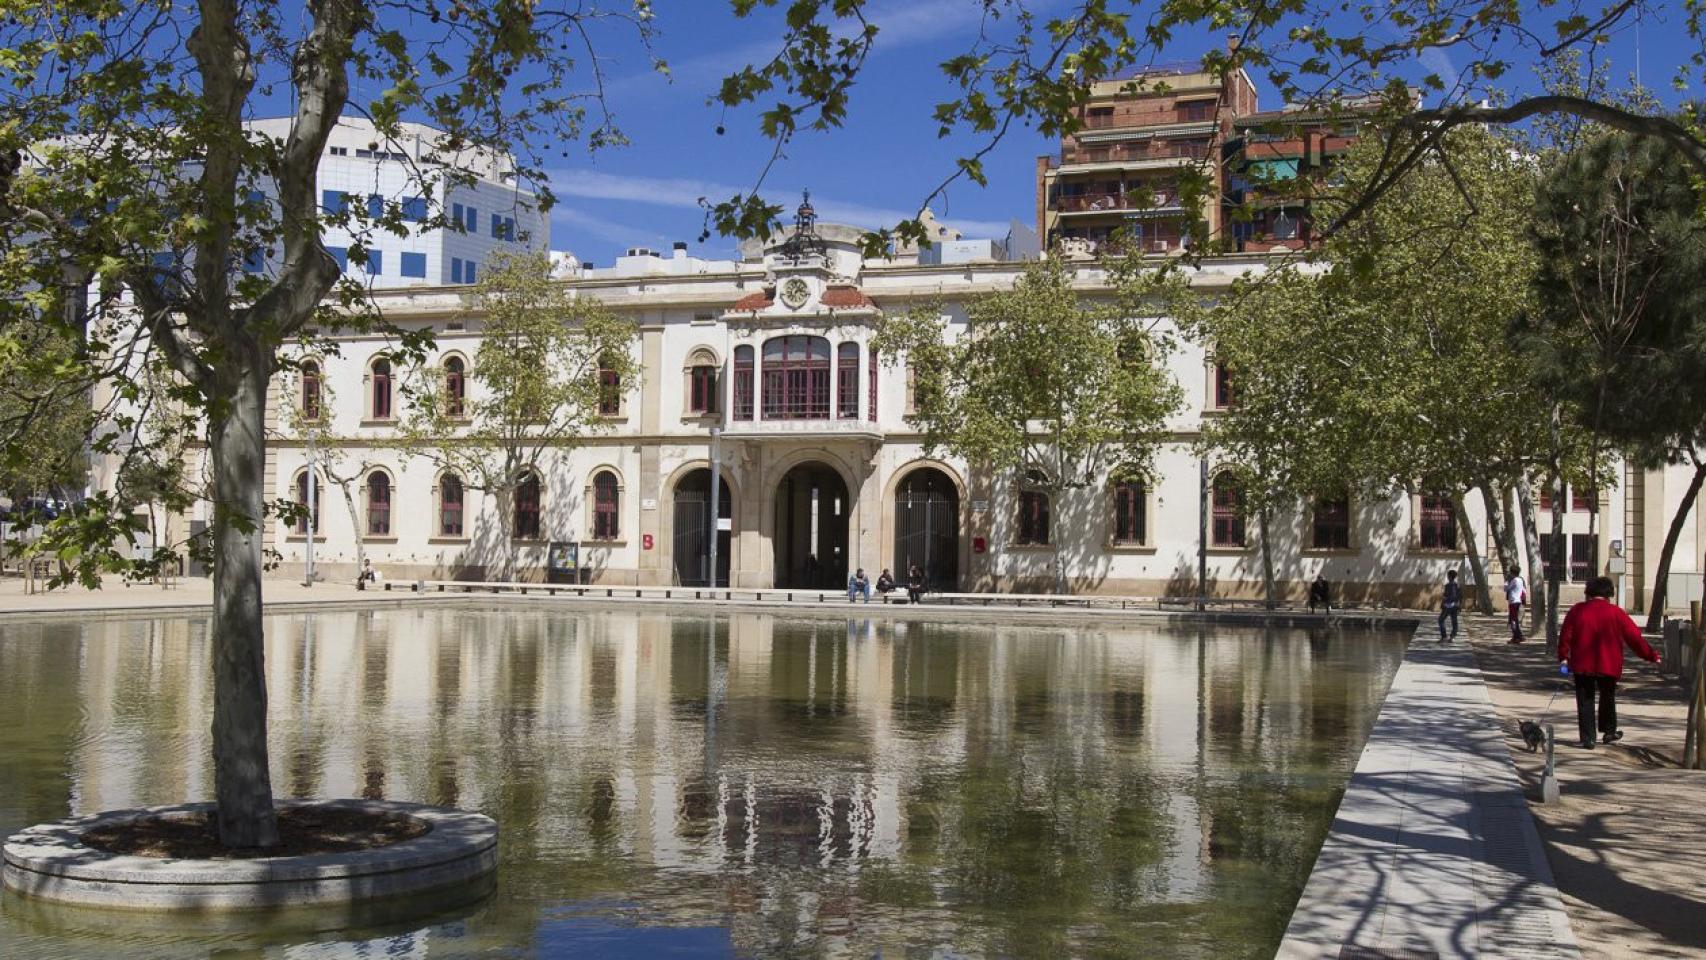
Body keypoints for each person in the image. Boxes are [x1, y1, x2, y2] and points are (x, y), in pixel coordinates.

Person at [1558, 576, 1660, 749]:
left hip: (1583, 663)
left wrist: (1563, 657)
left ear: (1588, 592)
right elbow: (1634, 638)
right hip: (1608, 663)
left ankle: (1588, 738)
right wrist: (1651, 655)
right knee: (1607, 696)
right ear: (1609, 594)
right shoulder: (1616, 612)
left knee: (1585, 699)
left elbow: (1566, 636)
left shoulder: (1577, 611)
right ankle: (1609, 731)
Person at [1505, 566, 1529, 644]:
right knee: (1514, 619)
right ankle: (1517, 636)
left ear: (1512, 572)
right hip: (1518, 600)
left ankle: (1517, 636)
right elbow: (1523, 590)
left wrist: (1506, 581)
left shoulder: (1514, 580)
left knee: (1513, 620)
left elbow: (1506, 589)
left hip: (1513, 601)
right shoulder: (1521, 580)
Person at [1438, 569, 1461, 642]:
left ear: (1450, 577)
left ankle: (1444, 636)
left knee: (1440, 620)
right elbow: (1459, 597)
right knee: (1454, 622)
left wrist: (1444, 598)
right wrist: (1459, 606)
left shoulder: (1448, 586)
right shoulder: (1457, 586)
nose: (1447, 577)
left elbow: (1449, 596)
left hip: (1448, 606)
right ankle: (1452, 637)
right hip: (1455, 606)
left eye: (1448, 575)